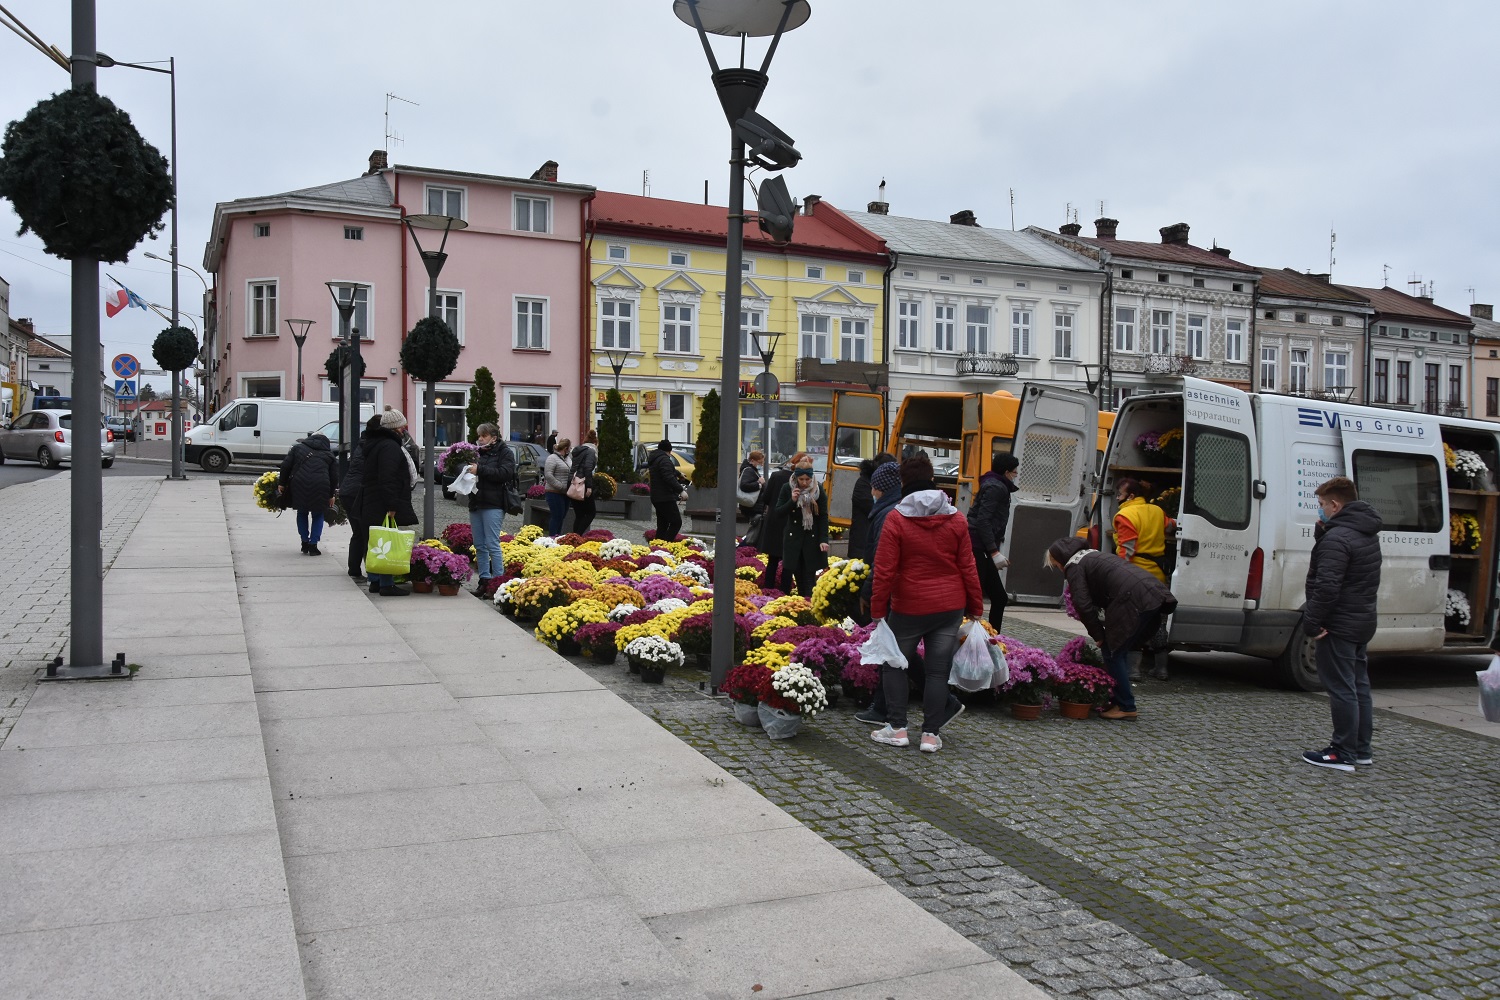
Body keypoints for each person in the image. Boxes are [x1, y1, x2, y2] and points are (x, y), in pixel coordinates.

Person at [867, 454, 983, 753]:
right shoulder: (956, 517)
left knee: (894, 663)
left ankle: (897, 728)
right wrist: (976, 606)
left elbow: (885, 569)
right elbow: (968, 565)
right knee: (936, 671)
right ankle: (930, 735)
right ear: (932, 477)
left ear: (903, 481)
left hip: (909, 606)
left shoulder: (896, 518)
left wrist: (878, 609)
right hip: (949, 606)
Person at [1300, 476, 1382, 772]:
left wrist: (1312, 622)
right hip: (1360, 619)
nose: (1319, 510)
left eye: (1322, 505)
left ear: (1335, 504)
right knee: (1358, 685)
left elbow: (1327, 587)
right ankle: (1361, 749)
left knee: (1342, 688)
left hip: (1338, 623)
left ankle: (1342, 751)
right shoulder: (1364, 532)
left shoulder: (1337, 538)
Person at [1045, 536, 1176, 720]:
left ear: (1060, 560)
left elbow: (1082, 603)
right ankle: (1116, 699)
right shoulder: (1092, 555)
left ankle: (1126, 706)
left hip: (1131, 600)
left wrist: (1098, 634)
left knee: (1112, 652)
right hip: (1152, 592)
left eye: (1056, 565)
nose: (1059, 569)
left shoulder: (1073, 566)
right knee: (1120, 648)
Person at [1112, 477, 1176, 680]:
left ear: (1131, 496)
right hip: (1157, 574)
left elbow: (1127, 550)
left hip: (1136, 576)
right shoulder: (1156, 510)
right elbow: (1171, 526)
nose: (1117, 498)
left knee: (1134, 622)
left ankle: (1133, 670)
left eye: (1119, 494)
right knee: (1158, 621)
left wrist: (1118, 576)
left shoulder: (1125, 515)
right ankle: (1162, 668)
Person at [357, 409, 420, 597]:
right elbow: (388, 477)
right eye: (402, 426)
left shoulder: (375, 444)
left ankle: (375, 581)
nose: (404, 429)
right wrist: (392, 505)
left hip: (372, 499)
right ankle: (386, 584)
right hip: (382, 501)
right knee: (386, 541)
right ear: (395, 427)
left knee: (377, 541)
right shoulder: (389, 447)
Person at [968, 452, 1020, 633]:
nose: (1015, 475)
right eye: (1014, 472)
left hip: (981, 546)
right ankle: (976, 637)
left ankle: (992, 637)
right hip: (978, 547)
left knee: (998, 597)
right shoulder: (997, 488)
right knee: (979, 598)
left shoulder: (992, 484)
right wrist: (993, 551)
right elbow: (983, 520)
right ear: (1006, 472)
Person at [467, 423, 515, 594]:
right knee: (479, 545)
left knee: (492, 543)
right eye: (479, 435)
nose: (480, 439)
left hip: (494, 503)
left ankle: (498, 582)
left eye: (484, 436)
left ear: (494, 437)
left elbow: (505, 473)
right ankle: (484, 580)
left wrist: (480, 469)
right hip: (476, 502)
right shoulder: (476, 452)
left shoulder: (505, 452)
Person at [278, 430, 338, 556]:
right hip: (321, 485)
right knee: (318, 515)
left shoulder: (298, 449)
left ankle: (304, 542)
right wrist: (331, 495)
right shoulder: (329, 455)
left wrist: (282, 483)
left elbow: (285, 466)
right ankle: (313, 545)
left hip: (299, 483)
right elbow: (334, 477)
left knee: (302, 512)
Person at [775, 463, 829, 598]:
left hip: (811, 538)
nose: (804, 483)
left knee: (810, 578)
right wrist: (792, 501)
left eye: (807, 479)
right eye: (801, 479)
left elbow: (823, 516)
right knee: (798, 577)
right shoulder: (787, 488)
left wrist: (823, 539)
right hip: (794, 540)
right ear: (796, 477)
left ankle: (809, 609)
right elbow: (778, 512)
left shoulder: (818, 490)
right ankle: (803, 608)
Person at [339, 414, 383, 580]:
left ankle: (354, 569)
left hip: (347, 491)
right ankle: (373, 573)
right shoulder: (374, 446)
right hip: (358, 492)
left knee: (358, 532)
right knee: (367, 534)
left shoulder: (362, 443)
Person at [756, 453, 803, 590]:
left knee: (773, 560)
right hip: (790, 522)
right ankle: (784, 590)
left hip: (774, 522)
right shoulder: (799, 480)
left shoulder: (776, 476)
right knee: (788, 561)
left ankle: (769, 589)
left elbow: (766, 498)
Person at [648, 438, 688, 542]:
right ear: (669, 451)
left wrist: (679, 474)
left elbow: (667, 471)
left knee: (663, 525)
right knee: (676, 522)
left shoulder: (656, 459)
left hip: (657, 497)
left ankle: (657, 548)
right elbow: (668, 477)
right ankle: (665, 546)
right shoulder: (665, 459)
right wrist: (681, 491)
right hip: (665, 497)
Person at [569, 428, 599, 535]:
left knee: (579, 514)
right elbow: (587, 469)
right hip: (583, 484)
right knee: (591, 513)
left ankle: (573, 537)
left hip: (573, 483)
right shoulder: (591, 452)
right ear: (595, 442)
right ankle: (578, 536)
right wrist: (589, 487)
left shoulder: (577, 450)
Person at [543, 437, 572, 536]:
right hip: (554, 492)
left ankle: (558, 537)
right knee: (556, 516)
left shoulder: (568, 459)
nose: (570, 450)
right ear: (566, 448)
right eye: (569, 448)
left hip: (565, 493)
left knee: (561, 516)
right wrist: (560, 486)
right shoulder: (552, 458)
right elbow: (548, 475)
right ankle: (552, 537)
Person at [847, 459, 875, 561]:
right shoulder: (863, 484)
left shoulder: (866, 482)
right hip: (862, 541)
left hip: (864, 539)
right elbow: (871, 508)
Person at [738, 450, 767, 515]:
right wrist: (759, 483)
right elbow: (744, 485)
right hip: (752, 507)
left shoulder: (752, 470)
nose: (762, 465)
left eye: (763, 462)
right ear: (752, 461)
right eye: (760, 462)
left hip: (753, 506)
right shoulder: (749, 470)